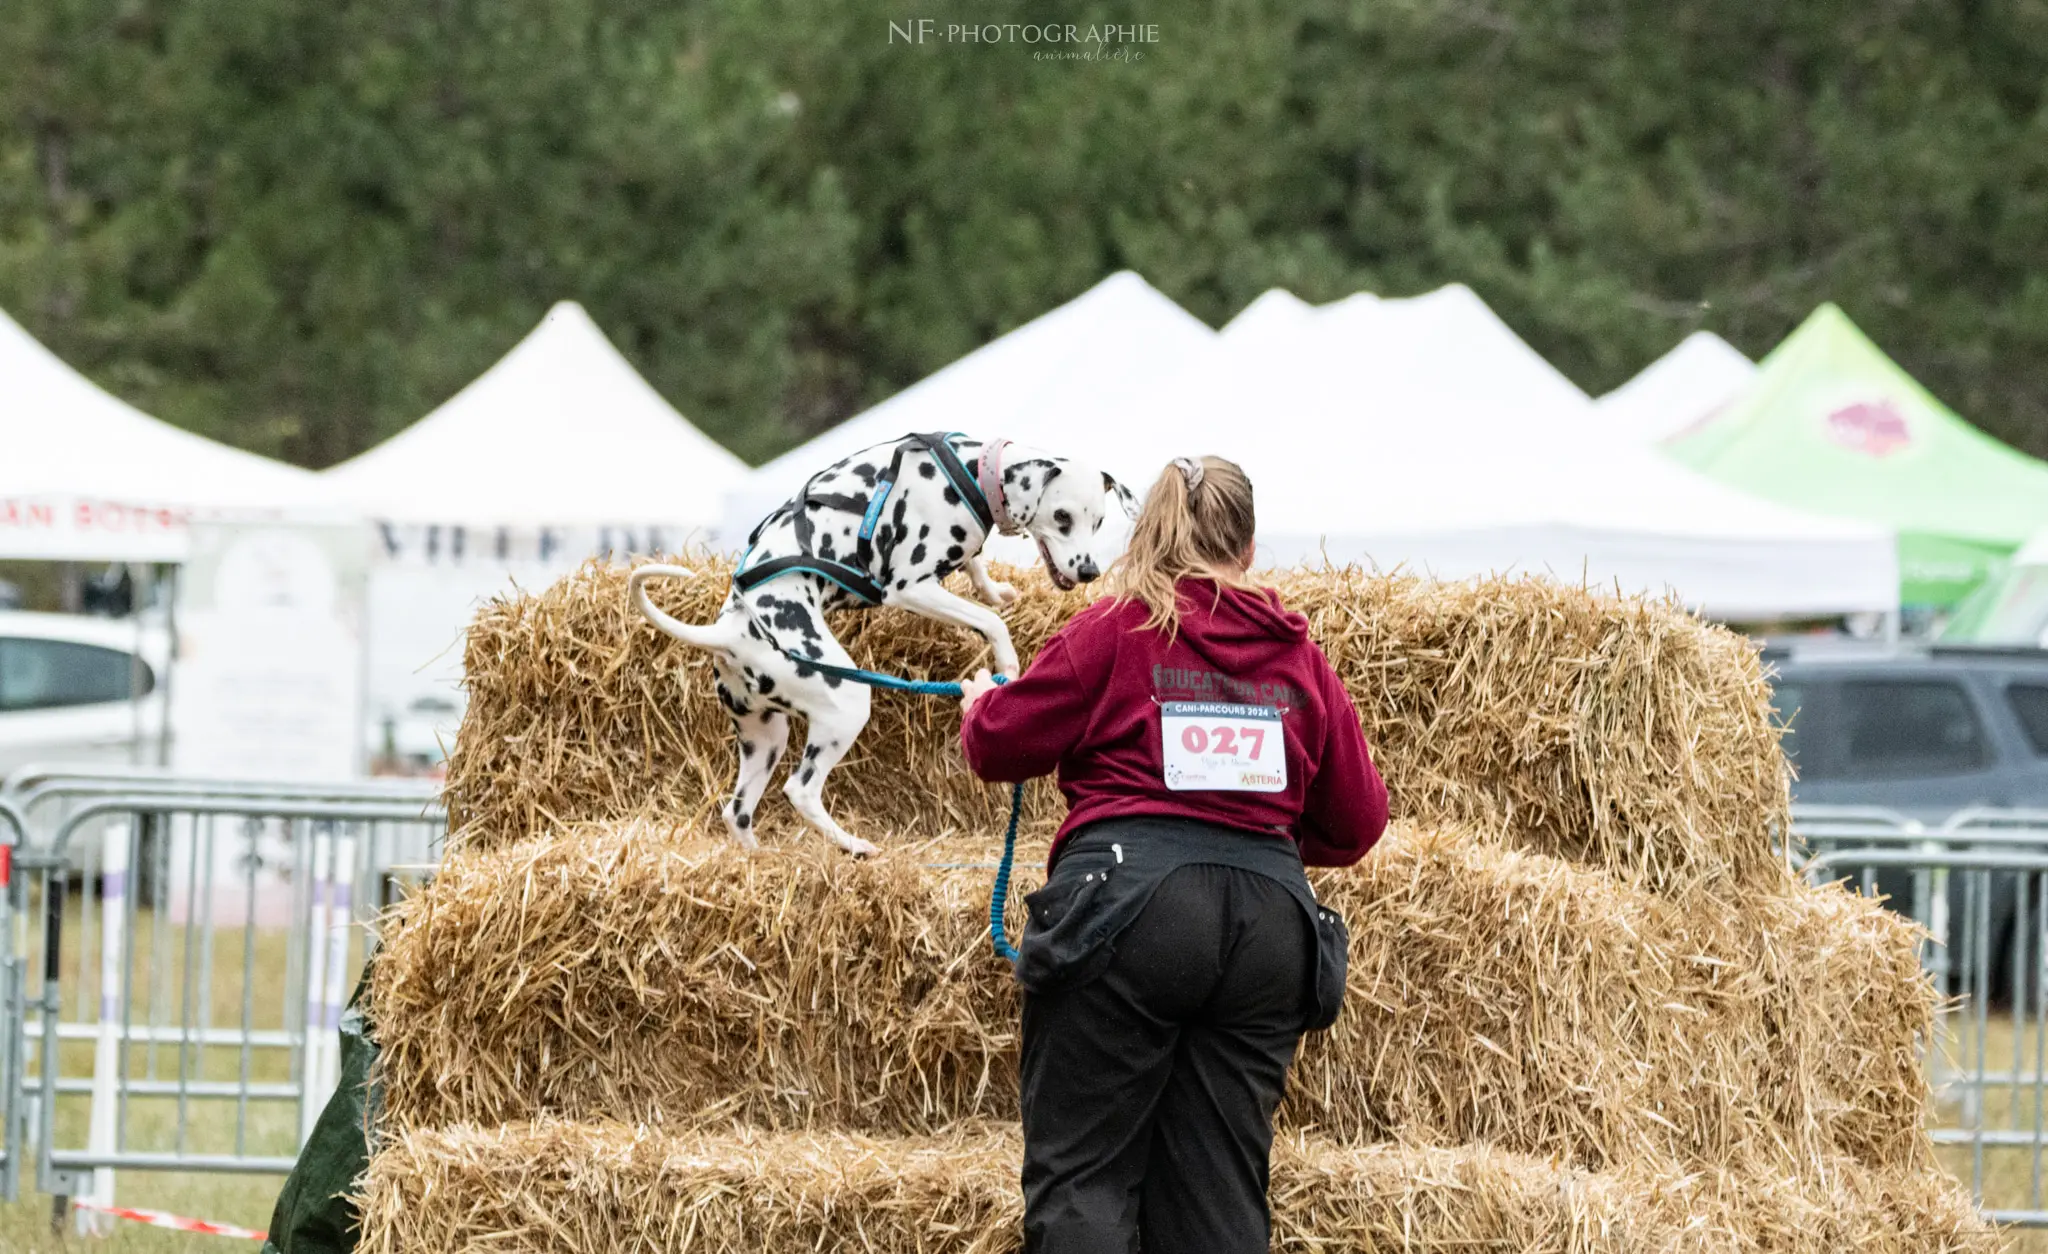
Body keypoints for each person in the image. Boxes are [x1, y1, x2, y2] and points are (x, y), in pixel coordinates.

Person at [957, 454, 1388, 1254]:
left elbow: (999, 745)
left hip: (1129, 910)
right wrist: (1262, 829)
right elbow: (1358, 824)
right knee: (1219, 1199)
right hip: (1268, 925)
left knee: (1085, 1180)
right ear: (1250, 549)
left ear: (1148, 532)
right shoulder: (1300, 658)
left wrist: (982, 705)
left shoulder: (1116, 630)